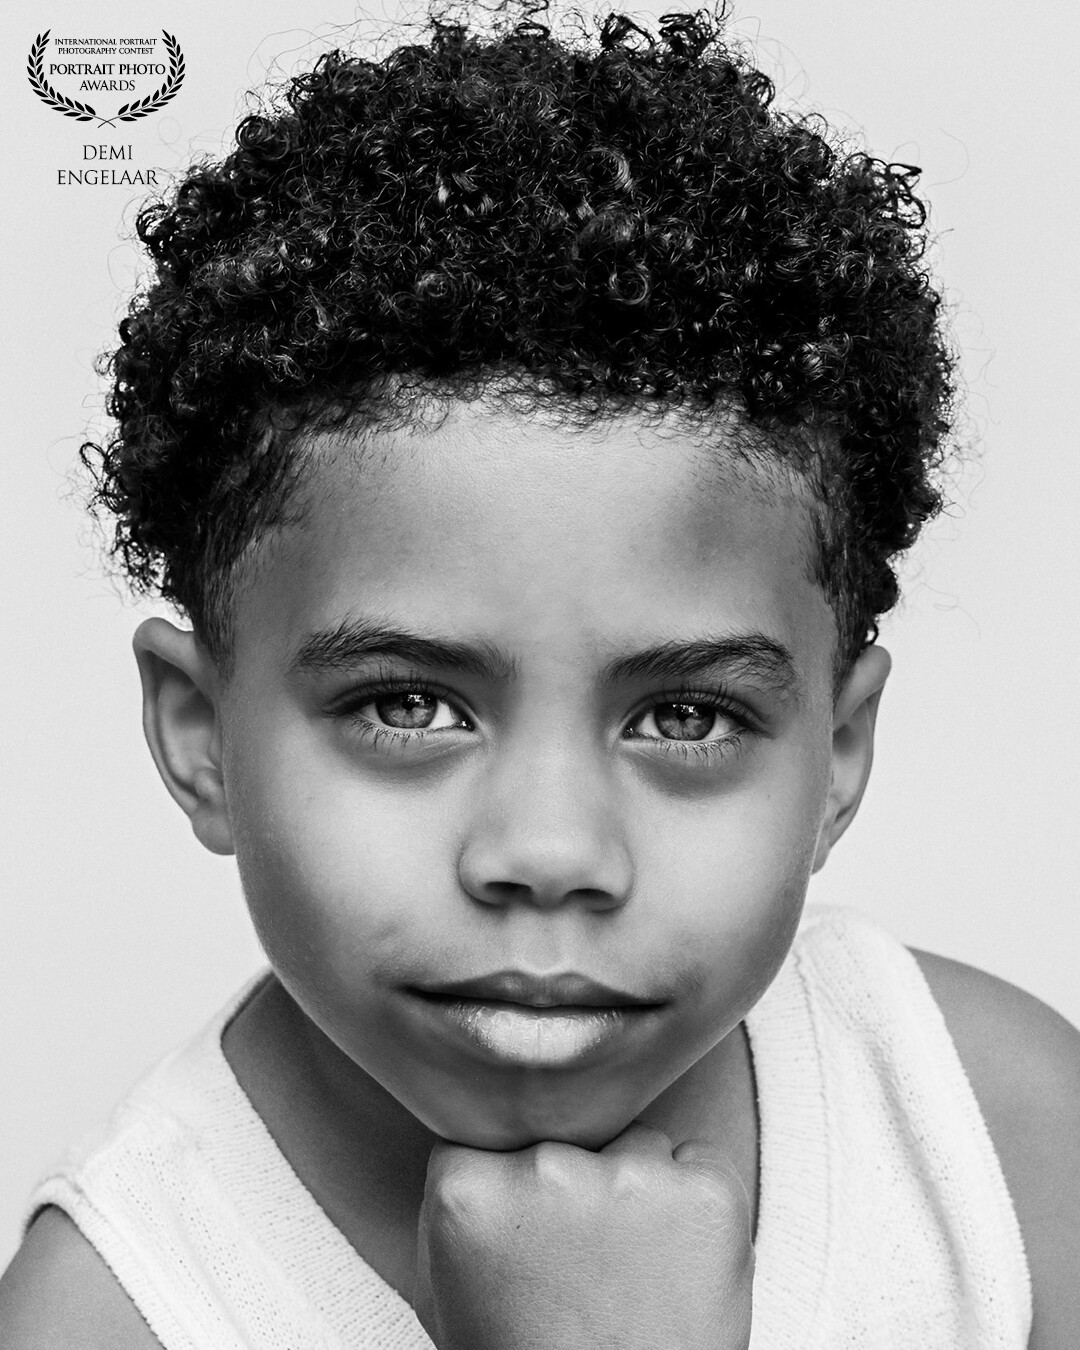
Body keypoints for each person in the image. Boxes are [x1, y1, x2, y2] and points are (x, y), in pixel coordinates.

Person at [1, 7, 1077, 1346]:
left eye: (685, 715)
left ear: (839, 756)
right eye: (409, 705)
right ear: (200, 732)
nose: (551, 853)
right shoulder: (111, 1316)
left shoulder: (991, 1136)